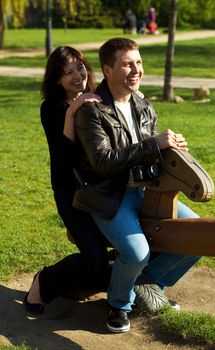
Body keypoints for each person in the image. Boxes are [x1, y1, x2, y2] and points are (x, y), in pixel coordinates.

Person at [72, 38, 200, 333]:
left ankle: (147, 282)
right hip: (109, 195)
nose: (136, 69)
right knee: (136, 253)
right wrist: (153, 144)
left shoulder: (143, 104)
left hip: (149, 189)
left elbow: (153, 150)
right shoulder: (92, 110)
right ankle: (119, 303)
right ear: (108, 69)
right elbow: (103, 161)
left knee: (195, 235)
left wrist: (171, 147)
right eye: (128, 64)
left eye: (139, 62)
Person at [24, 46, 113, 314]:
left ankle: (79, 284)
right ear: (57, 79)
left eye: (80, 67)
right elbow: (63, 157)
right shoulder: (51, 108)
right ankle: (44, 282)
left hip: (104, 189)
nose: (77, 76)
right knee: (95, 258)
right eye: (68, 72)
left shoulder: (99, 98)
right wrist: (73, 110)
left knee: (117, 251)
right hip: (71, 192)